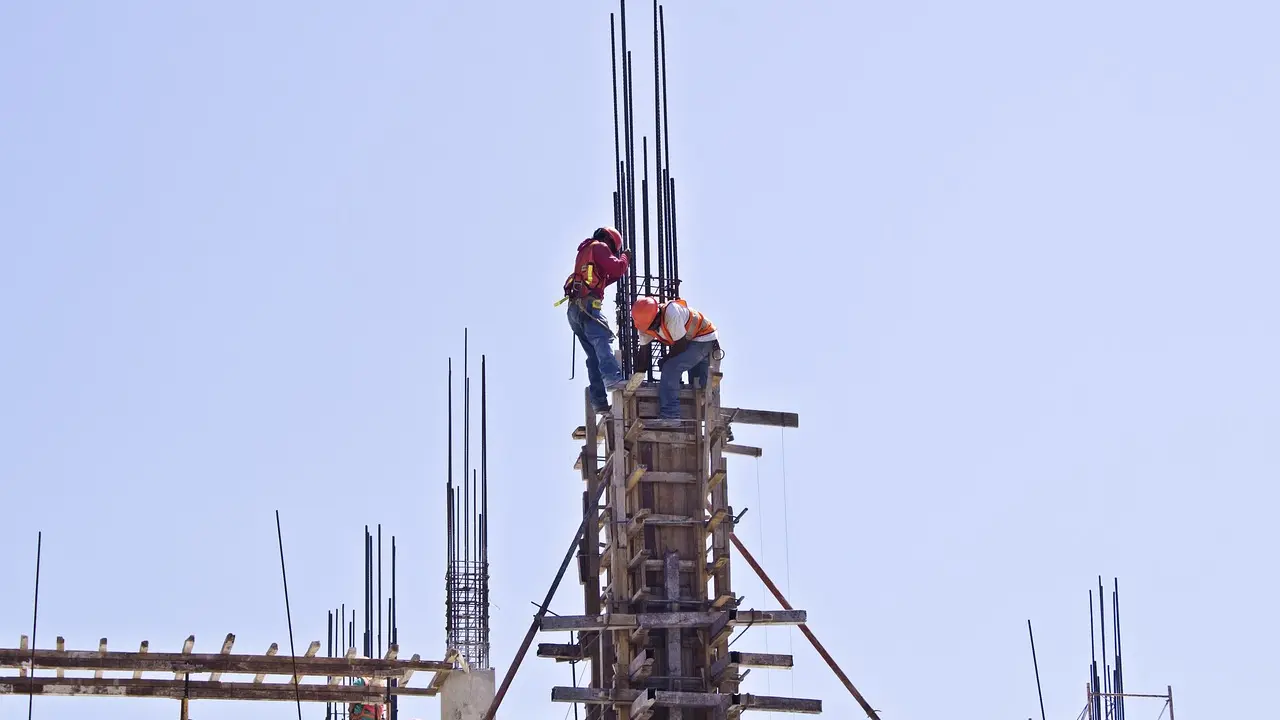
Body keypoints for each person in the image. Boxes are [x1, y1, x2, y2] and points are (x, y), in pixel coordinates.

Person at [562, 226, 631, 414]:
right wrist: (625, 258)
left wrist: (619, 267)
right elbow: (617, 267)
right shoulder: (600, 247)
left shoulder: (585, 251)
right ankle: (612, 378)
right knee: (602, 339)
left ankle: (599, 401)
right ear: (610, 241)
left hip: (575, 310)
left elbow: (608, 275)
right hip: (588, 306)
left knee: (593, 356)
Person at [630, 296, 719, 427]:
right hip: (692, 341)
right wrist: (638, 375)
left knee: (671, 368)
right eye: (650, 326)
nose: (653, 328)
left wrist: (666, 360)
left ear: (657, 313)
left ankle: (670, 415)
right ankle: (716, 421)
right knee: (699, 386)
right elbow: (643, 352)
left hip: (704, 338)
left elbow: (681, 345)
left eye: (654, 324)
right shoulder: (644, 327)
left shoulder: (671, 313)